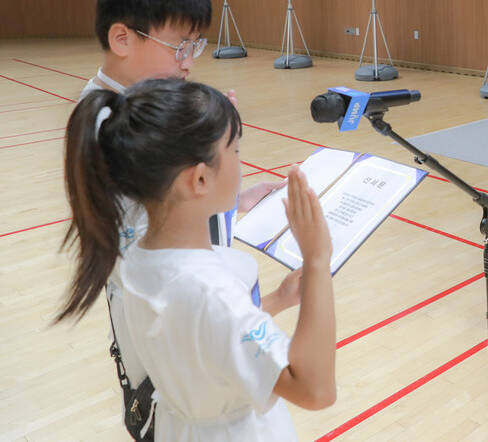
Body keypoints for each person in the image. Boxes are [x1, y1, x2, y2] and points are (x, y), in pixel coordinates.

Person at [56, 79, 337, 441]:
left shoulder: (137, 259)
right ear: (200, 179)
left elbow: (204, 337)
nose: (240, 160)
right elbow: (314, 390)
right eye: (234, 150)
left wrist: (280, 299)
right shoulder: (210, 292)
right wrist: (316, 259)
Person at [81, 0, 287, 433]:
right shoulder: (112, 127)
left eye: (196, 46)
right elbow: (163, 243)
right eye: (180, 46)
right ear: (122, 38)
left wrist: (228, 202)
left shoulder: (122, 109)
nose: (189, 62)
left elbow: (169, 211)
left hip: (171, 337)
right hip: (165, 353)